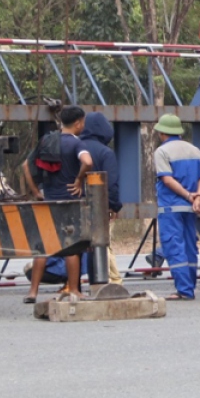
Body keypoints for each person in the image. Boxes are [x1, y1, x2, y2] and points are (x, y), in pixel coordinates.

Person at [21, 105, 93, 303]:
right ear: (78, 123)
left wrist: (36, 192)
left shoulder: (47, 140)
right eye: (83, 123)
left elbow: (26, 165)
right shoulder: (77, 144)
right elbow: (88, 162)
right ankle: (74, 291)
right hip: (69, 202)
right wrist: (79, 180)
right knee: (71, 247)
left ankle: (32, 292)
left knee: (43, 246)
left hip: (49, 200)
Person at [152, 113, 200, 300]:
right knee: (190, 246)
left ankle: (184, 291)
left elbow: (167, 179)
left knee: (174, 246)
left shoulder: (162, 151)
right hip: (190, 209)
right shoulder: (194, 150)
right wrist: (197, 198)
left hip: (171, 207)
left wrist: (186, 195)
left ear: (162, 133)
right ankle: (189, 287)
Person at [79, 111, 124, 285]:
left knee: (76, 248)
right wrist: (113, 206)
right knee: (100, 245)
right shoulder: (105, 152)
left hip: (73, 204)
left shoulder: (76, 147)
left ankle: (71, 286)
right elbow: (110, 183)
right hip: (98, 207)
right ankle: (107, 282)